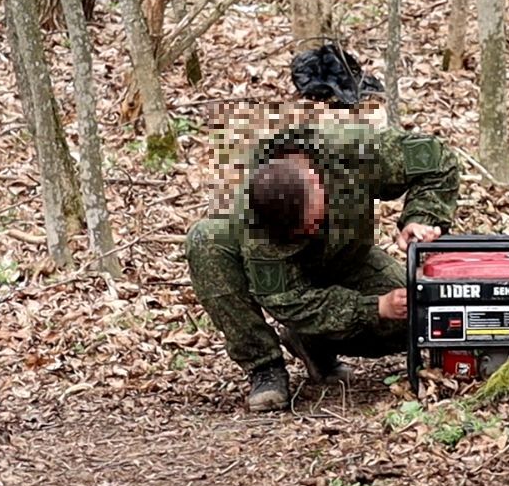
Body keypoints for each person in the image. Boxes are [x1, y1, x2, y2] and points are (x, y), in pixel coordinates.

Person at [186, 121, 459, 410]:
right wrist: (374, 308)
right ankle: (264, 368)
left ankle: (312, 342)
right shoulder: (257, 219)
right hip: (291, 275)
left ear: (318, 181)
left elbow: (438, 161)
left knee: (422, 318)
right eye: (303, 230)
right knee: (205, 239)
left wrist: (422, 218)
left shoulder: (354, 153)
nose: (313, 231)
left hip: (348, 260)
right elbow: (287, 301)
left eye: (316, 221)